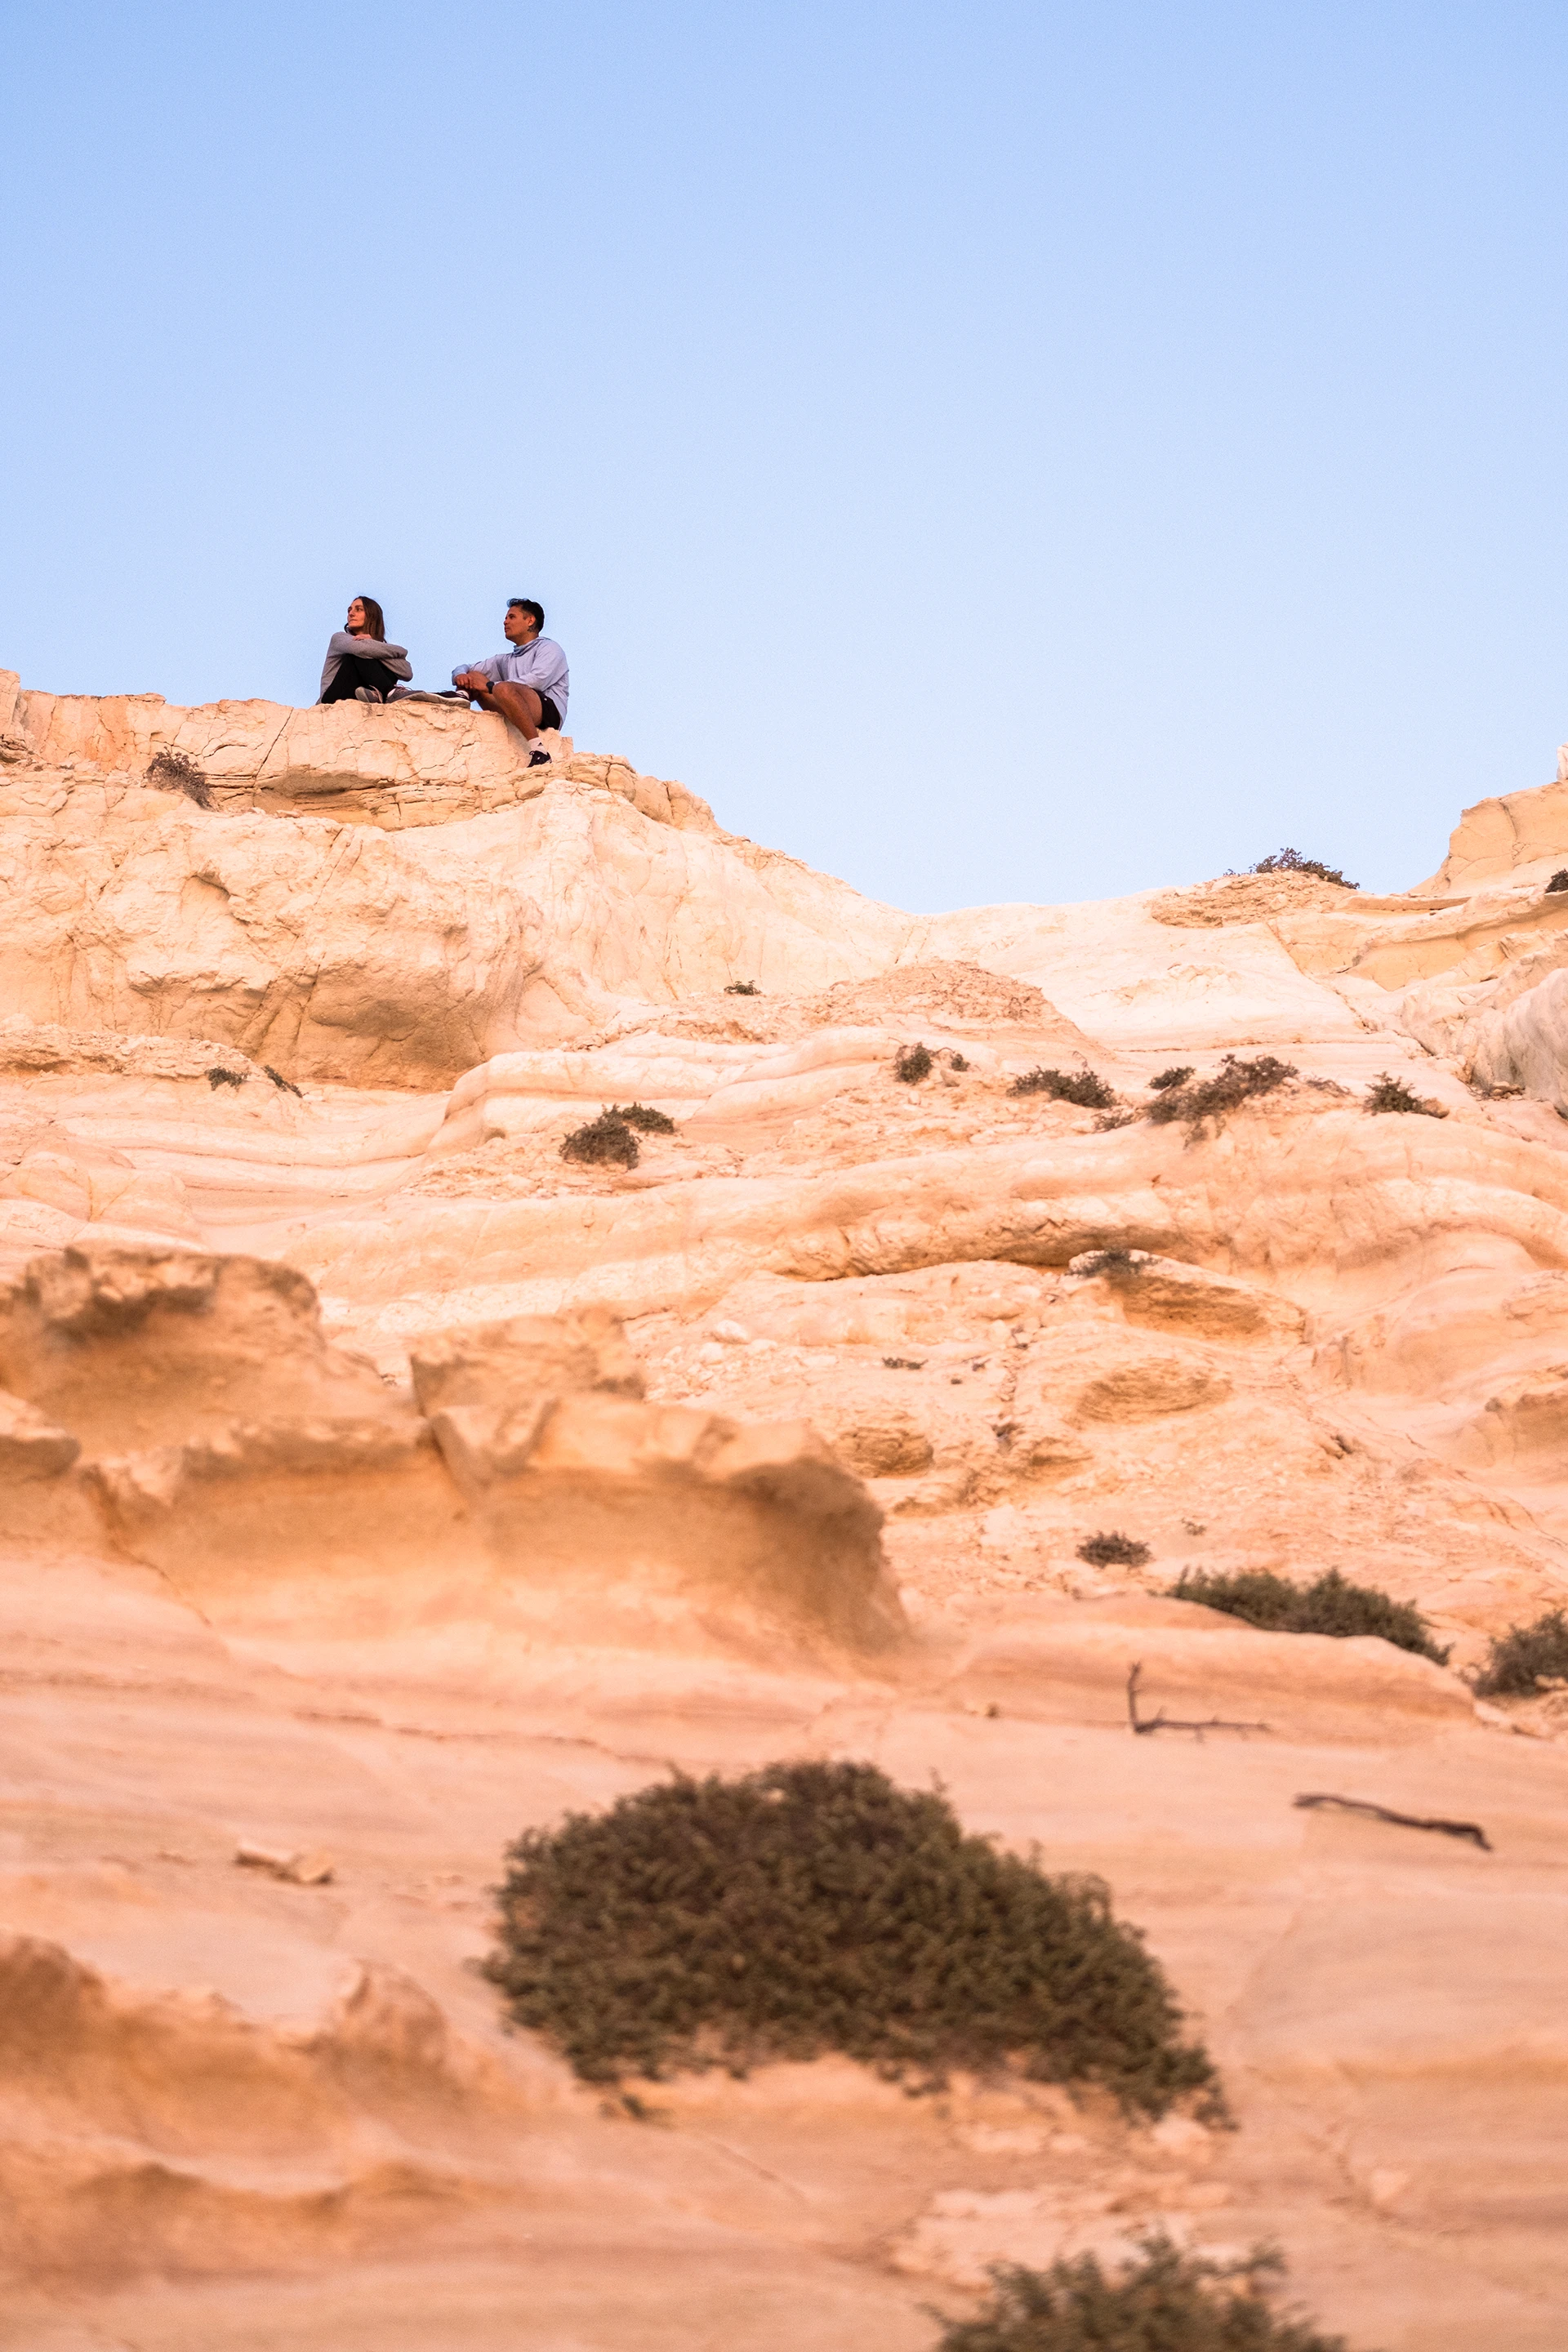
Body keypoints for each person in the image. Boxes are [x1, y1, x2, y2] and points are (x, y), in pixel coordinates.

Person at [452, 598, 569, 764]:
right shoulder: (506, 660)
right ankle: (461, 698)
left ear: (530, 621)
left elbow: (538, 681)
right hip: (515, 702)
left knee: (502, 688)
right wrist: (460, 676)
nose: (505, 622)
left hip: (548, 710)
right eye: (506, 618)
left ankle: (539, 751)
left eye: (511, 617)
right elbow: (465, 667)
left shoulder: (549, 648)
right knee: (474, 674)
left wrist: (491, 686)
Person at [318, 598, 413, 704]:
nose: (351, 614)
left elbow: (407, 672)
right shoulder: (339, 638)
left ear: (372, 615)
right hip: (333, 698)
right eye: (349, 610)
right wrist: (401, 652)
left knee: (377, 660)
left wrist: (373, 643)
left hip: (363, 696)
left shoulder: (382, 648)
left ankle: (376, 695)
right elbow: (361, 649)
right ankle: (390, 693)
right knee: (359, 655)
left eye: (358, 609)